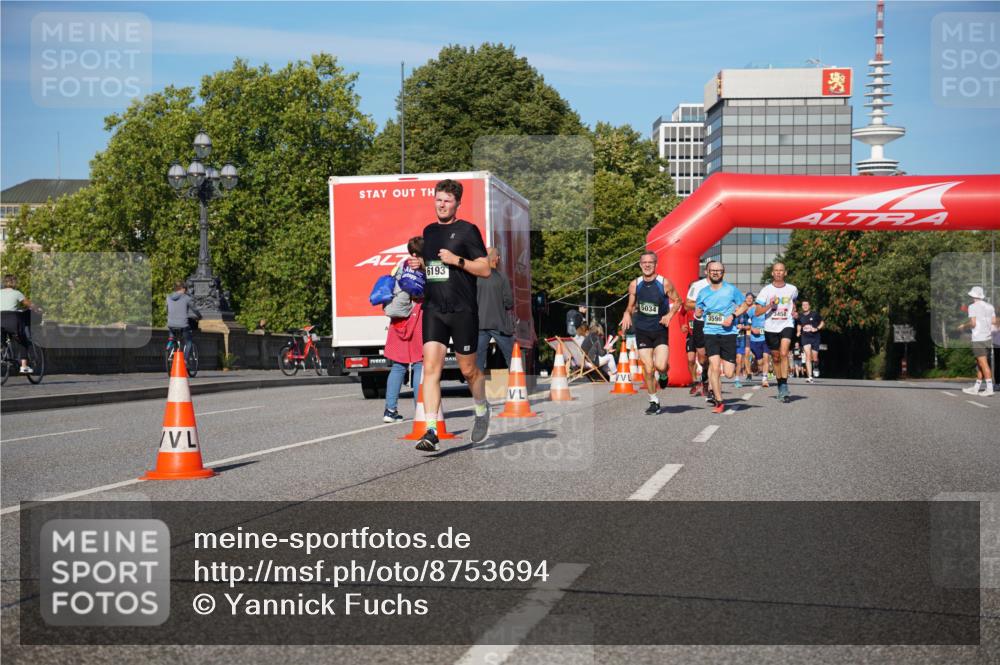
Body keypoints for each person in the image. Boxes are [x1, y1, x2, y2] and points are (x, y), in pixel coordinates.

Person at [407, 179, 491, 451]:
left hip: (463, 310)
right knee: (431, 370)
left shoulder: (467, 231)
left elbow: (485, 268)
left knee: (469, 371)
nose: (441, 205)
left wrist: (458, 261)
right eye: (438, 199)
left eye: (447, 201)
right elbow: (434, 269)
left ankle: (481, 409)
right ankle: (431, 430)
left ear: (457, 204)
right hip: (434, 309)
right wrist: (420, 266)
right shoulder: (429, 232)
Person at [620, 251, 681, 415]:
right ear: (640, 265)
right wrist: (627, 313)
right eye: (644, 262)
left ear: (656, 264)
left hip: (660, 329)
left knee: (660, 365)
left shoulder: (664, 283)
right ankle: (653, 400)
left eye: (650, 262)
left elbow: (678, 301)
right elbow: (631, 305)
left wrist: (669, 315)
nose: (647, 265)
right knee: (647, 368)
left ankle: (663, 374)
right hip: (643, 330)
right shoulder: (635, 284)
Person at [694, 261, 751, 414]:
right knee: (714, 366)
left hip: (728, 333)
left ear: (723, 273)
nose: (715, 273)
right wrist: (698, 313)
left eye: (719, 271)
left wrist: (733, 316)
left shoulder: (731, 290)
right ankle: (719, 401)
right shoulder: (703, 292)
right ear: (707, 272)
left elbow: (745, 305)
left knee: (730, 372)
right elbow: (698, 311)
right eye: (713, 270)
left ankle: (718, 388)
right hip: (710, 332)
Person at [383, 237, 425, 422]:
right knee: (418, 365)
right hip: (418, 318)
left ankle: (390, 411)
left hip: (398, 319)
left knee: (398, 366)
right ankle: (420, 410)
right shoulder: (424, 268)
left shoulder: (400, 266)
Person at [754, 262, 798, 403]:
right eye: (776, 270)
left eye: (781, 270)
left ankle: (784, 385)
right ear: (772, 273)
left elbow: (793, 303)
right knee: (776, 357)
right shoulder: (766, 290)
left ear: (785, 273)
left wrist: (794, 312)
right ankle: (780, 384)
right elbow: (757, 311)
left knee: (784, 352)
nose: (778, 273)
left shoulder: (792, 289)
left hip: (787, 324)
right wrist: (769, 306)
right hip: (771, 327)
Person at [476, 247, 515, 371]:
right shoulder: (501, 277)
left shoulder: (475, 277)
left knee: (478, 360)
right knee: (511, 356)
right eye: (498, 257)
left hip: (479, 324)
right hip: (499, 325)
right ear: (496, 259)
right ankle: (516, 386)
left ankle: (477, 389)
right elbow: (509, 302)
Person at [959, 286, 995, 397]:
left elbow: (973, 323)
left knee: (983, 364)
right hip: (988, 338)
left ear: (973, 295)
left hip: (978, 339)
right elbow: (993, 322)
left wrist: (963, 326)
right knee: (980, 363)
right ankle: (976, 387)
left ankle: (989, 389)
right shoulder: (990, 306)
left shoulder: (972, 307)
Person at [685, 265, 711, 399]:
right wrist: (683, 326)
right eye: (711, 270)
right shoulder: (698, 286)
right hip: (695, 329)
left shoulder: (724, 287)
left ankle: (706, 381)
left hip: (713, 326)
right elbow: (685, 306)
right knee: (693, 359)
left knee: (706, 359)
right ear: (706, 271)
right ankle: (696, 381)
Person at [0, 274, 35, 373]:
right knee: (22, 340)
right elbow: (29, 304)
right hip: (12, 321)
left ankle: (3, 353)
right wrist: (38, 309)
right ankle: (24, 366)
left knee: (2, 341)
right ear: (14, 282)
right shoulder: (17, 293)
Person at [166, 281, 201, 359]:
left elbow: (167, 309)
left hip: (170, 324)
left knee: (173, 338)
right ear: (182, 289)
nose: (186, 291)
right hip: (183, 325)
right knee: (189, 342)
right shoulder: (186, 298)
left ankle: (171, 347)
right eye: (185, 289)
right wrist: (199, 316)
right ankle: (185, 360)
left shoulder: (168, 297)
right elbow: (194, 309)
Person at [796, 299, 824, 382]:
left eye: (806, 304)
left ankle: (816, 366)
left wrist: (817, 328)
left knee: (814, 357)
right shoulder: (800, 316)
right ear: (802, 306)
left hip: (815, 337)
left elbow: (822, 322)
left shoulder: (815, 314)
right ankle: (810, 376)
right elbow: (799, 324)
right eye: (803, 305)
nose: (805, 306)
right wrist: (798, 331)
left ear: (809, 306)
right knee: (808, 355)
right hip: (805, 337)